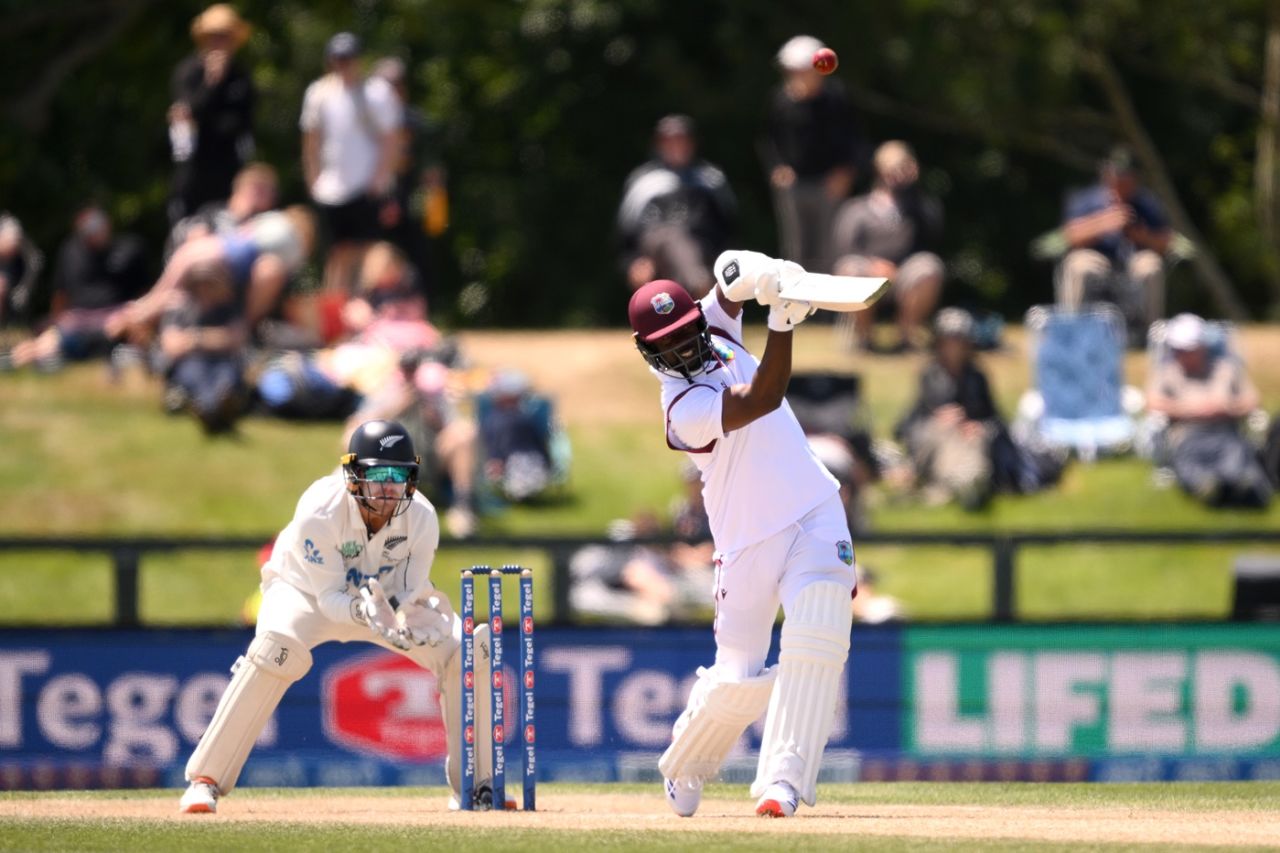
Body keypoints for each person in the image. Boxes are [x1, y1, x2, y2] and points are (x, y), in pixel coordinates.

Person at [628, 250, 857, 818]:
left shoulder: (714, 325)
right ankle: (687, 759)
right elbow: (763, 398)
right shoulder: (683, 408)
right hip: (746, 540)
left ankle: (783, 783)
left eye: (686, 334)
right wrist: (782, 321)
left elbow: (731, 274)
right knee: (738, 680)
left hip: (813, 507)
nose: (683, 349)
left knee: (820, 629)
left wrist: (774, 277)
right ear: (648, 352)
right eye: (667, 346)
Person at [178, 420, 505, 814]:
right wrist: (361, 610)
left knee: (466, 653)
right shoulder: (319, 510)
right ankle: (205, 781)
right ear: (354, 477)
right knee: (274, 651)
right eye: (377, 476)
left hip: (384, 604)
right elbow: (330, 597)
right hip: (305, 593)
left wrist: (406, 612)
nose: (388, 489)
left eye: (398, 476)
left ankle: (477, 786)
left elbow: (409, 587)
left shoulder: (422, 517)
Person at [301, 32, 403, 308]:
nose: (344, 64)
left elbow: (390, 139)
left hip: (367, 184)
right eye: (339, 58)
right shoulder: (319, 93)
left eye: (349, 58)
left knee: (369, 251)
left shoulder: (376, 93)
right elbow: (311, 139)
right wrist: (313, 177)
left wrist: (380, 177)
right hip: (332, 187)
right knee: (338, 254)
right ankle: (333, 314)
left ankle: (364, 310)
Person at [108, 205, 315, 341]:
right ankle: (127, 324)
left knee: (159, 295)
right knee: (172, 298)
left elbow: (242, 231)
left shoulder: (270, 219)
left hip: (204, 248)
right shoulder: (294, 246)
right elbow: (271, 272)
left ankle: (125, 318)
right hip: (220, 262)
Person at [762, 35, 867, 275]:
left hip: (830, 184)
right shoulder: (781, 100)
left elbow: (855, 140)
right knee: (795, 247)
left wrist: (846, 172)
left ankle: (827, 308)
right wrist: (778, 168)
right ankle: (798, 304)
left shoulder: (837, 98)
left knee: (830, 245)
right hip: (794, 185)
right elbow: (768, 140)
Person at [1146, 313, 1272, 508]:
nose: (1180, 353)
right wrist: (1191, 410)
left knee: (1235, 456)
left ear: (1201, 346)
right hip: (1188, 434)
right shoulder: (1169, 371)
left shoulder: (1226, 369)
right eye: (1177, 348)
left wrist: (1226, 408)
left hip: (1225, 431)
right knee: (1191, 462)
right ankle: (1208, 487)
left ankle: (1238, 486)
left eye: (1186, 349)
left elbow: (1252, 400)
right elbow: (1153, 402)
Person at [2, 206, 149, 370]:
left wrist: (135, 318)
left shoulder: (129, 249)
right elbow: (60, 295)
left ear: (107, 224)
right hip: (78, 318)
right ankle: (12, 360)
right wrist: (56, 320)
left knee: (125, 329)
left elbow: (143, 295)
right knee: (47, 342)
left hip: (116, 316)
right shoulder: (71, 251)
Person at [832, 140, 945, 353]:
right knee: (849, 269)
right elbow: (844, 248)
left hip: (906, 274)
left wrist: (913, 190)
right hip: (868, 271)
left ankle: (906, 337)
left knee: (930, 267)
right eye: (892, 167)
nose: (897, 174)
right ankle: (864, 339)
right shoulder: (858, 208)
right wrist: (875, 265)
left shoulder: (920, 207)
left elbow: (931, 240)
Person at [617, 114, 737, 298]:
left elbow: (729, 229)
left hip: (703, 249)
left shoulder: (711, 179)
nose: (676, 146)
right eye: (669, 141)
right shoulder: (643, 180)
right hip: (654, 250)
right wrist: (632, 263)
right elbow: (626, 234)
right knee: (672, 236)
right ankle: (698, 285)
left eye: (681, 140)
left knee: (685, 244)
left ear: (692, 143)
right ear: (659, 145)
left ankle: (694, 291)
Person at [893, 308, 1000, 510]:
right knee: (943, 433)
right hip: (939, 437)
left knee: (974, 441)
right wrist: (937, 418)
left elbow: (995, 419)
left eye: (959, 341)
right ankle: (954, 482)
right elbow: (908, 422)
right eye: (949, 341)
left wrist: (977, 425)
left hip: (970, 438)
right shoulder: (929, 375)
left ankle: (970, 480)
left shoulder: (977, 377)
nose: (953, 347)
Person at [1057, 146, 1172, 332]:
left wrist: (1143, 237)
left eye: (1127, 177)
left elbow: (1166, 242)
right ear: (1106, 174)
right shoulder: (1086, 199)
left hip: (1133, 260)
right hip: (1098, 257)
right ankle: (1073, 331)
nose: (1121, 182)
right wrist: (1104, 224)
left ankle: (1151, 334)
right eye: (1117, 176)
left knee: (1151, 265)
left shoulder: (1146, 203)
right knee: (1079, 266)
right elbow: (1070, 237)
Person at [169, 4, 257, 224]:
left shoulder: (241, 75)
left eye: (225, 37)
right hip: (194, 169)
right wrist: (211, 83)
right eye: (214, 37)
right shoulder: (188, 72)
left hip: (229, 168)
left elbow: (244, 121)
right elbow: (188, 112)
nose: (219, 42)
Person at [155, 260, 250, 435]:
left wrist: (193, 338)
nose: (205, 288)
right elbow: (171, 345)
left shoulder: (229, 309)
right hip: (190, 362)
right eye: (201, 283)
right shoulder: (180, 307)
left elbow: (236, 338)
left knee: (226, 378)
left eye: (210, 283)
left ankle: (211, 412)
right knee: (196, 375)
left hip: (222, 360)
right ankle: (215, 412)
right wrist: (214, 337)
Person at [165, 162, 280, 260]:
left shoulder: (266, 226)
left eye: (267, 192)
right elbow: (184, 237)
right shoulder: (211, 214)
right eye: (257, 189)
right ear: (239, 188)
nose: (258, 195)